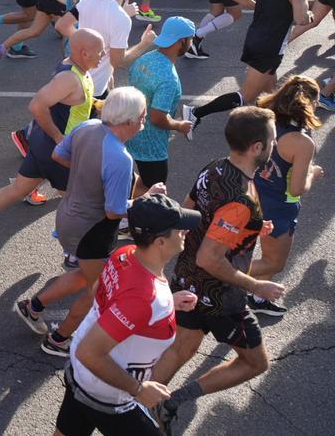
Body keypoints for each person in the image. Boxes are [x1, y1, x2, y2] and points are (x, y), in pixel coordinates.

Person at [151, 106, 286, 435]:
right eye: (272, 140)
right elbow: (210, 259)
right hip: (220, 297)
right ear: (257, 146)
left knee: (182, 346)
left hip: (187, 283)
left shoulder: (213, 169)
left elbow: (188, 215)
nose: (275, 145)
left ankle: (136, 409)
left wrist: (249, 230)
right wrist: (257, 285)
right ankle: (170, 402)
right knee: (255, 362)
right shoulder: (240, 198)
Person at [18, 88, 154, 360]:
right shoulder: (121, 159)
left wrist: (85, 171)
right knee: (101, 291)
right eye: (142, 116)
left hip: (68, 217)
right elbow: (115, 212)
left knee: (84, 274)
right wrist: (146, 200)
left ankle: (33, 306)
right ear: (128, 121)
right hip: (91, 231)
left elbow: (58, 155)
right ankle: (58, 340)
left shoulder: (88, 126)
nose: (144, 120)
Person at [52, 193, 202, 436]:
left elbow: (105, 295)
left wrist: (165, 305)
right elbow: (90, 352)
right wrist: (140, 389)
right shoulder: (146, 298)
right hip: (107, 393)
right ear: (160, 242)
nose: (184, 232)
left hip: (82, 376)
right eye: (178, 229)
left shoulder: (126, 253)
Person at [0, 28, 105, 256]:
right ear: (84, 53)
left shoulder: (77, 70)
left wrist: (94, 105)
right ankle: (73, 254)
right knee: (75, 203)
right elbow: (36, 106)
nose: (103, 55)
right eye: (99, 52)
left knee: (17, 189)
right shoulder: (68, 78)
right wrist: (58, 138)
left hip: (42, 146)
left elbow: (68, 104)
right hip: (57, 153)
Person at [245, 76, 324, 319]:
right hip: (279, 207)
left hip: (251, 193)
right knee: (273, 262)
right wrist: (313, 173)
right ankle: (216, 274)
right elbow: (299, 187)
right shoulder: (302, 143)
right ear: (309, 104)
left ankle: (258, 298)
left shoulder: (263, 118)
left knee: (259, 253)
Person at [230, 0, 311, 104]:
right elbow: (300, 19)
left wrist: (260, 6)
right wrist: (309, 14)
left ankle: (272, 121)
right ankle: (197, 112)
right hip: (269, 46)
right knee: (246, 96)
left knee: (271, 90)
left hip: (255, 39)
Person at [125, 17, 196, 192]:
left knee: (143, 182)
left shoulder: (145, 58)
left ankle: (130, 214)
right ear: (182, 41)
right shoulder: (168, 78)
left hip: (130, 132)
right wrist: (179, 125)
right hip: (151, 145)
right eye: (191, 38)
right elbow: (157, 118)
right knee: (155, 190)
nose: (191, 42)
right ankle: (134, 217)